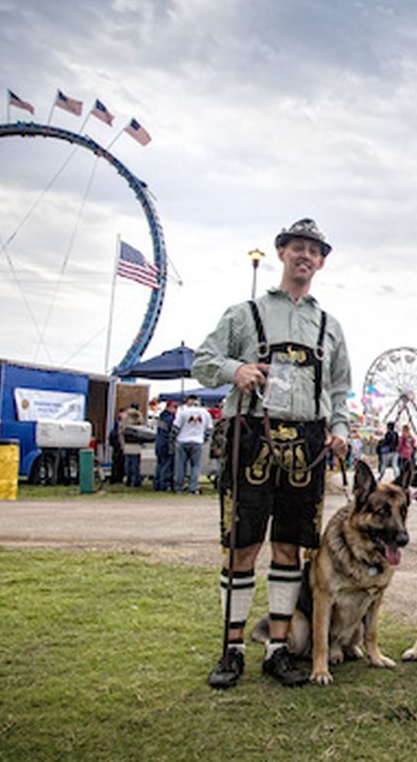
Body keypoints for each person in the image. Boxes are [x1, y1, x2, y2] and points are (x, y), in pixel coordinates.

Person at [193, 217, 351, 689]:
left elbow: (340, 390)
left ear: (322, 262)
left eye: (314, 251)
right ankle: (232, 648)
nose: (305, 256)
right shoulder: (244, 314)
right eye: (297, 247)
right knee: (242, 546)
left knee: (291, 547)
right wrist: (235, 369)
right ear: (281, 253)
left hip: (308, 442)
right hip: (250, 437)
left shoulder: (330, 325)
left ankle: (278, 649)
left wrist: (340, 428)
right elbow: (203, 362)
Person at [172, 395, 213, 495]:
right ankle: (193, 488)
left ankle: (179, 487)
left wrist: (173, 439)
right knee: (196, 466)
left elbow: (175, 427)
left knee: (180, 465)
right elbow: (209, 429)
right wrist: (204, 440)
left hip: (182, 440)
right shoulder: (205, 413)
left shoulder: (183, 412)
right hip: (197, 441)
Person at [153, 400, 178, 491]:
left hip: (159, 442)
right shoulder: (170, 419)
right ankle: (164, 484)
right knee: (166, 465)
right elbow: (173, 432)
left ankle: (156, 484)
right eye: (174, 408)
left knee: (159, 464)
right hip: (166, 443)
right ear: (169, 407)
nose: (176, 410)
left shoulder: (161, 417)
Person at [118, 403, 144, 488]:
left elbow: (120, 430)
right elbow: (142, 428)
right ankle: (136, 480)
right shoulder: (138, 415)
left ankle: (128, 481)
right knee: (135, 463)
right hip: (135, 442)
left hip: (126, 442)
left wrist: (122, 443)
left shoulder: (124, 416)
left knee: (128, 463)